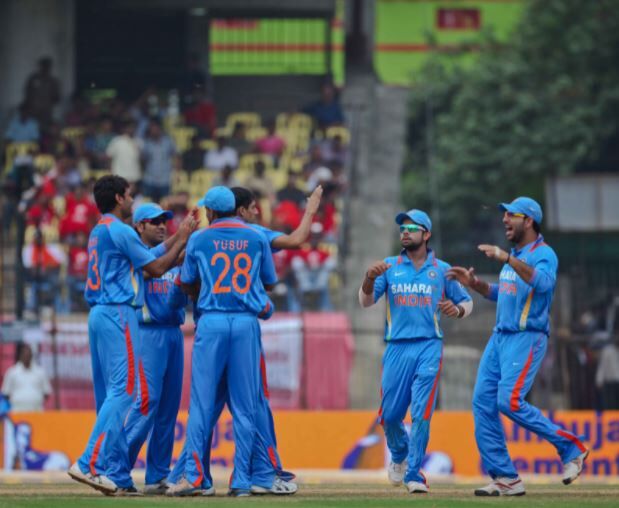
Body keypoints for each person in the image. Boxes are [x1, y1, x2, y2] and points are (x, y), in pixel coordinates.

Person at [447, 197, 589, 496]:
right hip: (499, 338)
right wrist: (475, 285)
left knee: (509, 401)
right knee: (483, 403)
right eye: (504, 214)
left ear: (529, 220)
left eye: (511, 214)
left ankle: (572, 448)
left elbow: (544, 284)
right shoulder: (516, 255)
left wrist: (506, 259)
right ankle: (505, 478)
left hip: (527, 337)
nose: (504, 219)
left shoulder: (543, 254)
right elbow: (505, 292)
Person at [67, 175, 195, 496]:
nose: (132, 200)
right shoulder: (122, 230)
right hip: (118, 312)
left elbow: (152, 256)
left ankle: (118, 471)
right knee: (124, 392)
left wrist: (178, 238)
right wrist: (182, 237)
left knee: (110, 395)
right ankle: (90, 463)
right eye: (129, 195)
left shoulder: (100, 230)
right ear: (118, 199)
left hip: (99, 313)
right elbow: (156, 268)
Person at [166, 186, 277, 497]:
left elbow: (186, 282)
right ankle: (241, 481)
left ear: (211, 212)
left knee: (201, 404)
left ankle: (196, 478)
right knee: (245, 405)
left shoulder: (200, 239)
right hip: (245, 323)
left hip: (212, 321)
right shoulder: (256, 236)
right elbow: (269, 281)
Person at [359, 209, 473, 494]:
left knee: (421, 413)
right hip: (397, 347)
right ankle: (399, 454)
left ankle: (414, 474)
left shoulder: (442, 270)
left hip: (428, 346)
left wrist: (457, 310)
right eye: (402, 229)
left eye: (411, 228)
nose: (405, 233)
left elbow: (467, 302)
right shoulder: (389, 266)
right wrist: (369, 278)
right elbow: (365, 301)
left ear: (427, 233)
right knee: (390, 416)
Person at [118, 203, 189, 495]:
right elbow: (155, 266)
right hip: (148, 333)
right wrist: (180, 240)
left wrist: (186, 243)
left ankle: (158, 474)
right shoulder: (136, 254)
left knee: (169, 408)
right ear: (139, 226)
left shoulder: (171, 254)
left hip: (173, 332)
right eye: (155, 221)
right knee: (148, 401)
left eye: (164, 221)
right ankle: (117, 469)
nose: (162, 225)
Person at [1, 343, 51, 412]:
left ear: (32, 356)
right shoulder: (12, 372)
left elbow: (46, 393)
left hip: (36, 410)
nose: (26, 357)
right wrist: (19, 400)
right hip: (17, 411)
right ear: (20, 356)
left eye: (28, 355)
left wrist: (34, 399)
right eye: (24, 354)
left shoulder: (40, 372)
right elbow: (6, 393)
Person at [106, 120, 142, 186]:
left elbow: (141, 160)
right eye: (129, 127)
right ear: (125, 128)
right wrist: (111, 173)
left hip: (133, 177)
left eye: (133, 127)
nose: (131, 129)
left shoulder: (138, 142)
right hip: (119, 176)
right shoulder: (117, 141)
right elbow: (109, 157)